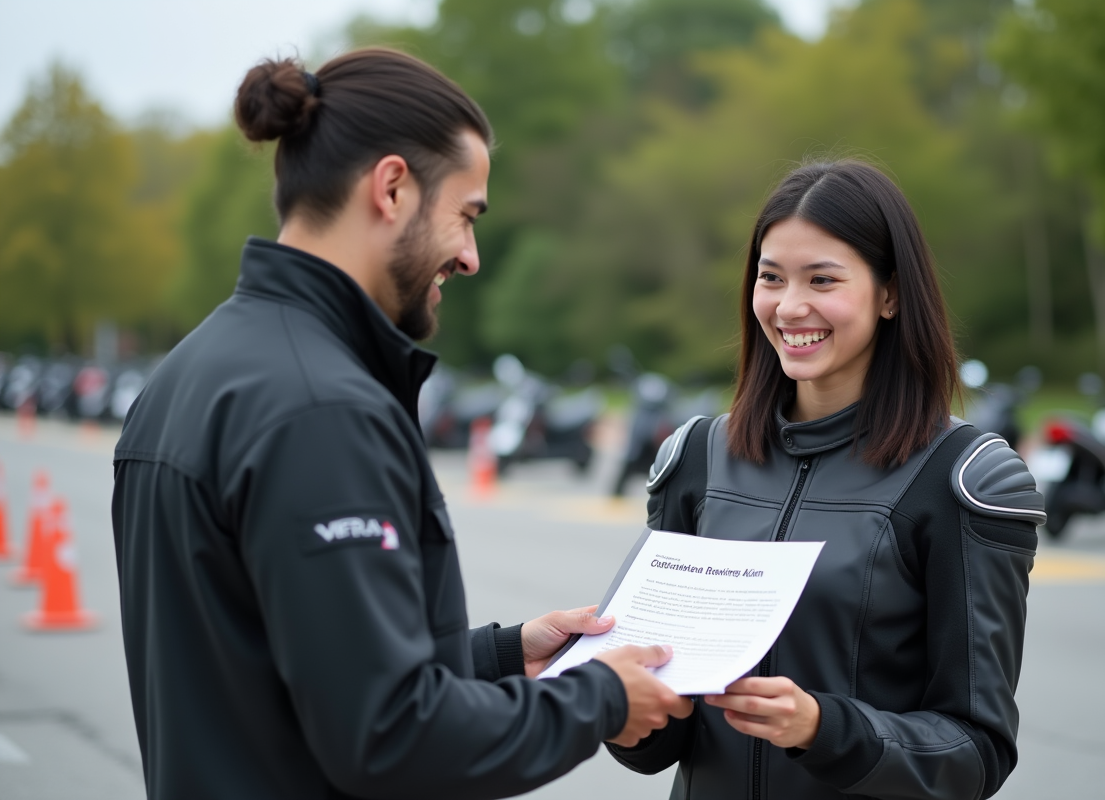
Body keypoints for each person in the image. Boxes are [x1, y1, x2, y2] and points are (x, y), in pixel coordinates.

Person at [110, 49, 691, 800]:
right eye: (466, 215)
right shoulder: (324, 411)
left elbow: (283, 666)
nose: (472, 257)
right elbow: (388, 738)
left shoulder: (190, 373)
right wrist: (600, 699)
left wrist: (504, 655)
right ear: (391, 188)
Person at [607, 160, 1043, 800]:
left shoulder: (963, 478)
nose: (790, 306)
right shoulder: (697, 456)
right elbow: (662, 737)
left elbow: (976, 751)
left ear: (890, 293)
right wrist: (618, 710)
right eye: (771, 278)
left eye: (823, 280)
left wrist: (823, 729)